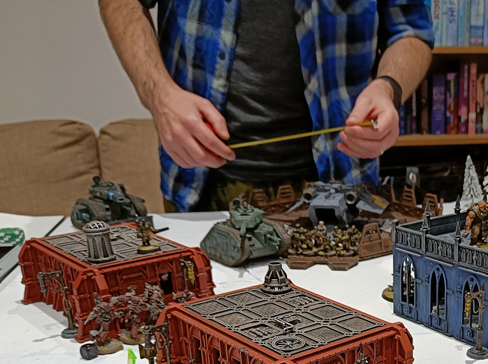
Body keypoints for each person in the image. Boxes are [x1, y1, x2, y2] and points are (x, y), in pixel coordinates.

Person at [99, 0, 433, 212]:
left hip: (342, 184)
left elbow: (412, 32)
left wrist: (388, 88)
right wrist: (160, 96)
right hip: (198, 186)